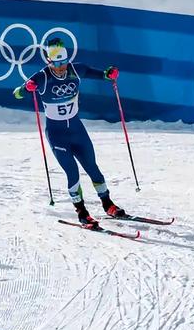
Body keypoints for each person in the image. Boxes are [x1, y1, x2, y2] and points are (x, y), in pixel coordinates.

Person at [13, 38, 126, 227]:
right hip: (57, 134)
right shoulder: (42, 77)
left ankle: (108, 204)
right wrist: (26, 88)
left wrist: (110, 74)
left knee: (92, 167)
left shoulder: (76, 69)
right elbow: (16, 93)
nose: (60, 67)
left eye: (63, 62)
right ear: (49, 62)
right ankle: (82, 212)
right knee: (72, 172)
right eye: (56, 63)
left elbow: (102, 75)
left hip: (77, 130)